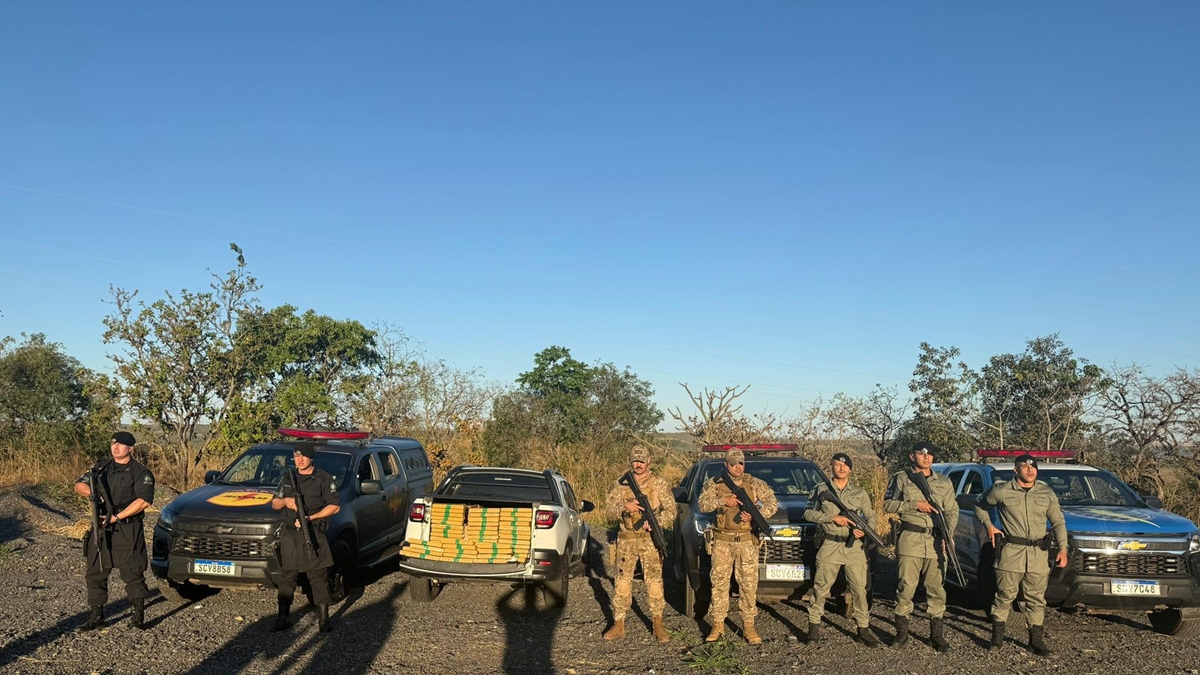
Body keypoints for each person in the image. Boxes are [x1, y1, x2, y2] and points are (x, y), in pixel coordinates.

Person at [974, 453, 1068, 656]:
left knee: (1036, 598)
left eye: (1033, 467)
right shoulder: (1002, 490)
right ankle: (997, 638)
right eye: (1024, 466)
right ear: (1015, 470)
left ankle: (1036, 641)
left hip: (1038, 554)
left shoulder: (1046, 493)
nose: (1030, 470)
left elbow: (1058, 523)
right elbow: (979, 507)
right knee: (1004, 595)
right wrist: (990, 526)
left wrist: (1063, 549)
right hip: (1011, 552)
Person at [74, 431, 155, 631]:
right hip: (101, 527)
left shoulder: (141, 472)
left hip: (127, 527)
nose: (115, 447)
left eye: (120, 444)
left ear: (130, 448)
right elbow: (79, 485)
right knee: (95, 571)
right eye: (113, 444)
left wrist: (117, 517)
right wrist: (92, 493)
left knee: (133, 572)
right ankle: (97, 616)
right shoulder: (101, 468)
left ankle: (138, 617)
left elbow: (143, 501)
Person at [697, 448, 778, 645]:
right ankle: (718, 625)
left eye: (740, 463)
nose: (737, 467)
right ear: (726, 465)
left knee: (748, 585)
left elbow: (773, 503)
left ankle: (749, 626)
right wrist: (723, 500)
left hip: (746, 541)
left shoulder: (755, 483)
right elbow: (702, 504)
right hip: (722, 541)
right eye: (733, 464)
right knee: (719, 584)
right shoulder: (715, 483)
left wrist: (756, 514)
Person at [884, 442, 958, 651]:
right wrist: (914, 505)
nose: (926, 457)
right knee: (906, 585)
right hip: (911, 537)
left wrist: (949, 533)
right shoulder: (902, 478)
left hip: (935, 540)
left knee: (936, 588)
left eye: (930, 454)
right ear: (912, 456)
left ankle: (937, 636)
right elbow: (888, 504)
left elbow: (952, 510)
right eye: (921, 453)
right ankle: (901, 634)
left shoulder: (944, 481)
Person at [803, 453, 880, 648]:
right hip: (830, 544)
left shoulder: (859, 492)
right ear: (831, 467)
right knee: (821, 588)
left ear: (850, 470)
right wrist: (831, 518)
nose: (841, 468)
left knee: (859, 589)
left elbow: (871, 516)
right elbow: (808, 513)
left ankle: (863, 629)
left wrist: (864, 530)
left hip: (854, 547)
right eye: (837, 465)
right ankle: (813, 628)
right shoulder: (821, 490)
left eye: (845, 466)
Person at [602, 445, 676, 642]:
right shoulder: (620, 484)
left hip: (649, 540)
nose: (638, 464)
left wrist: (656, 522)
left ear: (649, 461)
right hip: (627, 539)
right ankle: (619, 623)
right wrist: (623, 506)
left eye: (642, 461)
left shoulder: (659, 484)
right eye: (635, 461)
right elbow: (608, 512)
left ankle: (658, 624)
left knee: (654, 583)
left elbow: (671, 511)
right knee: (622, 582)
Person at [271, 442, 342, 633]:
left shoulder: (323, 478)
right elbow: (274, 503)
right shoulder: (288, 477)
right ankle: (282, 617)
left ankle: (324, 619)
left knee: (318, 577)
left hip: (313, 532)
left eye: (303, 456)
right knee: (287, 578)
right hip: (290, 535)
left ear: (311, 458)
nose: (300, 460)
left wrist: (311, 518)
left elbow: (335, 506)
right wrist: (285, 501)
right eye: (296, 456)